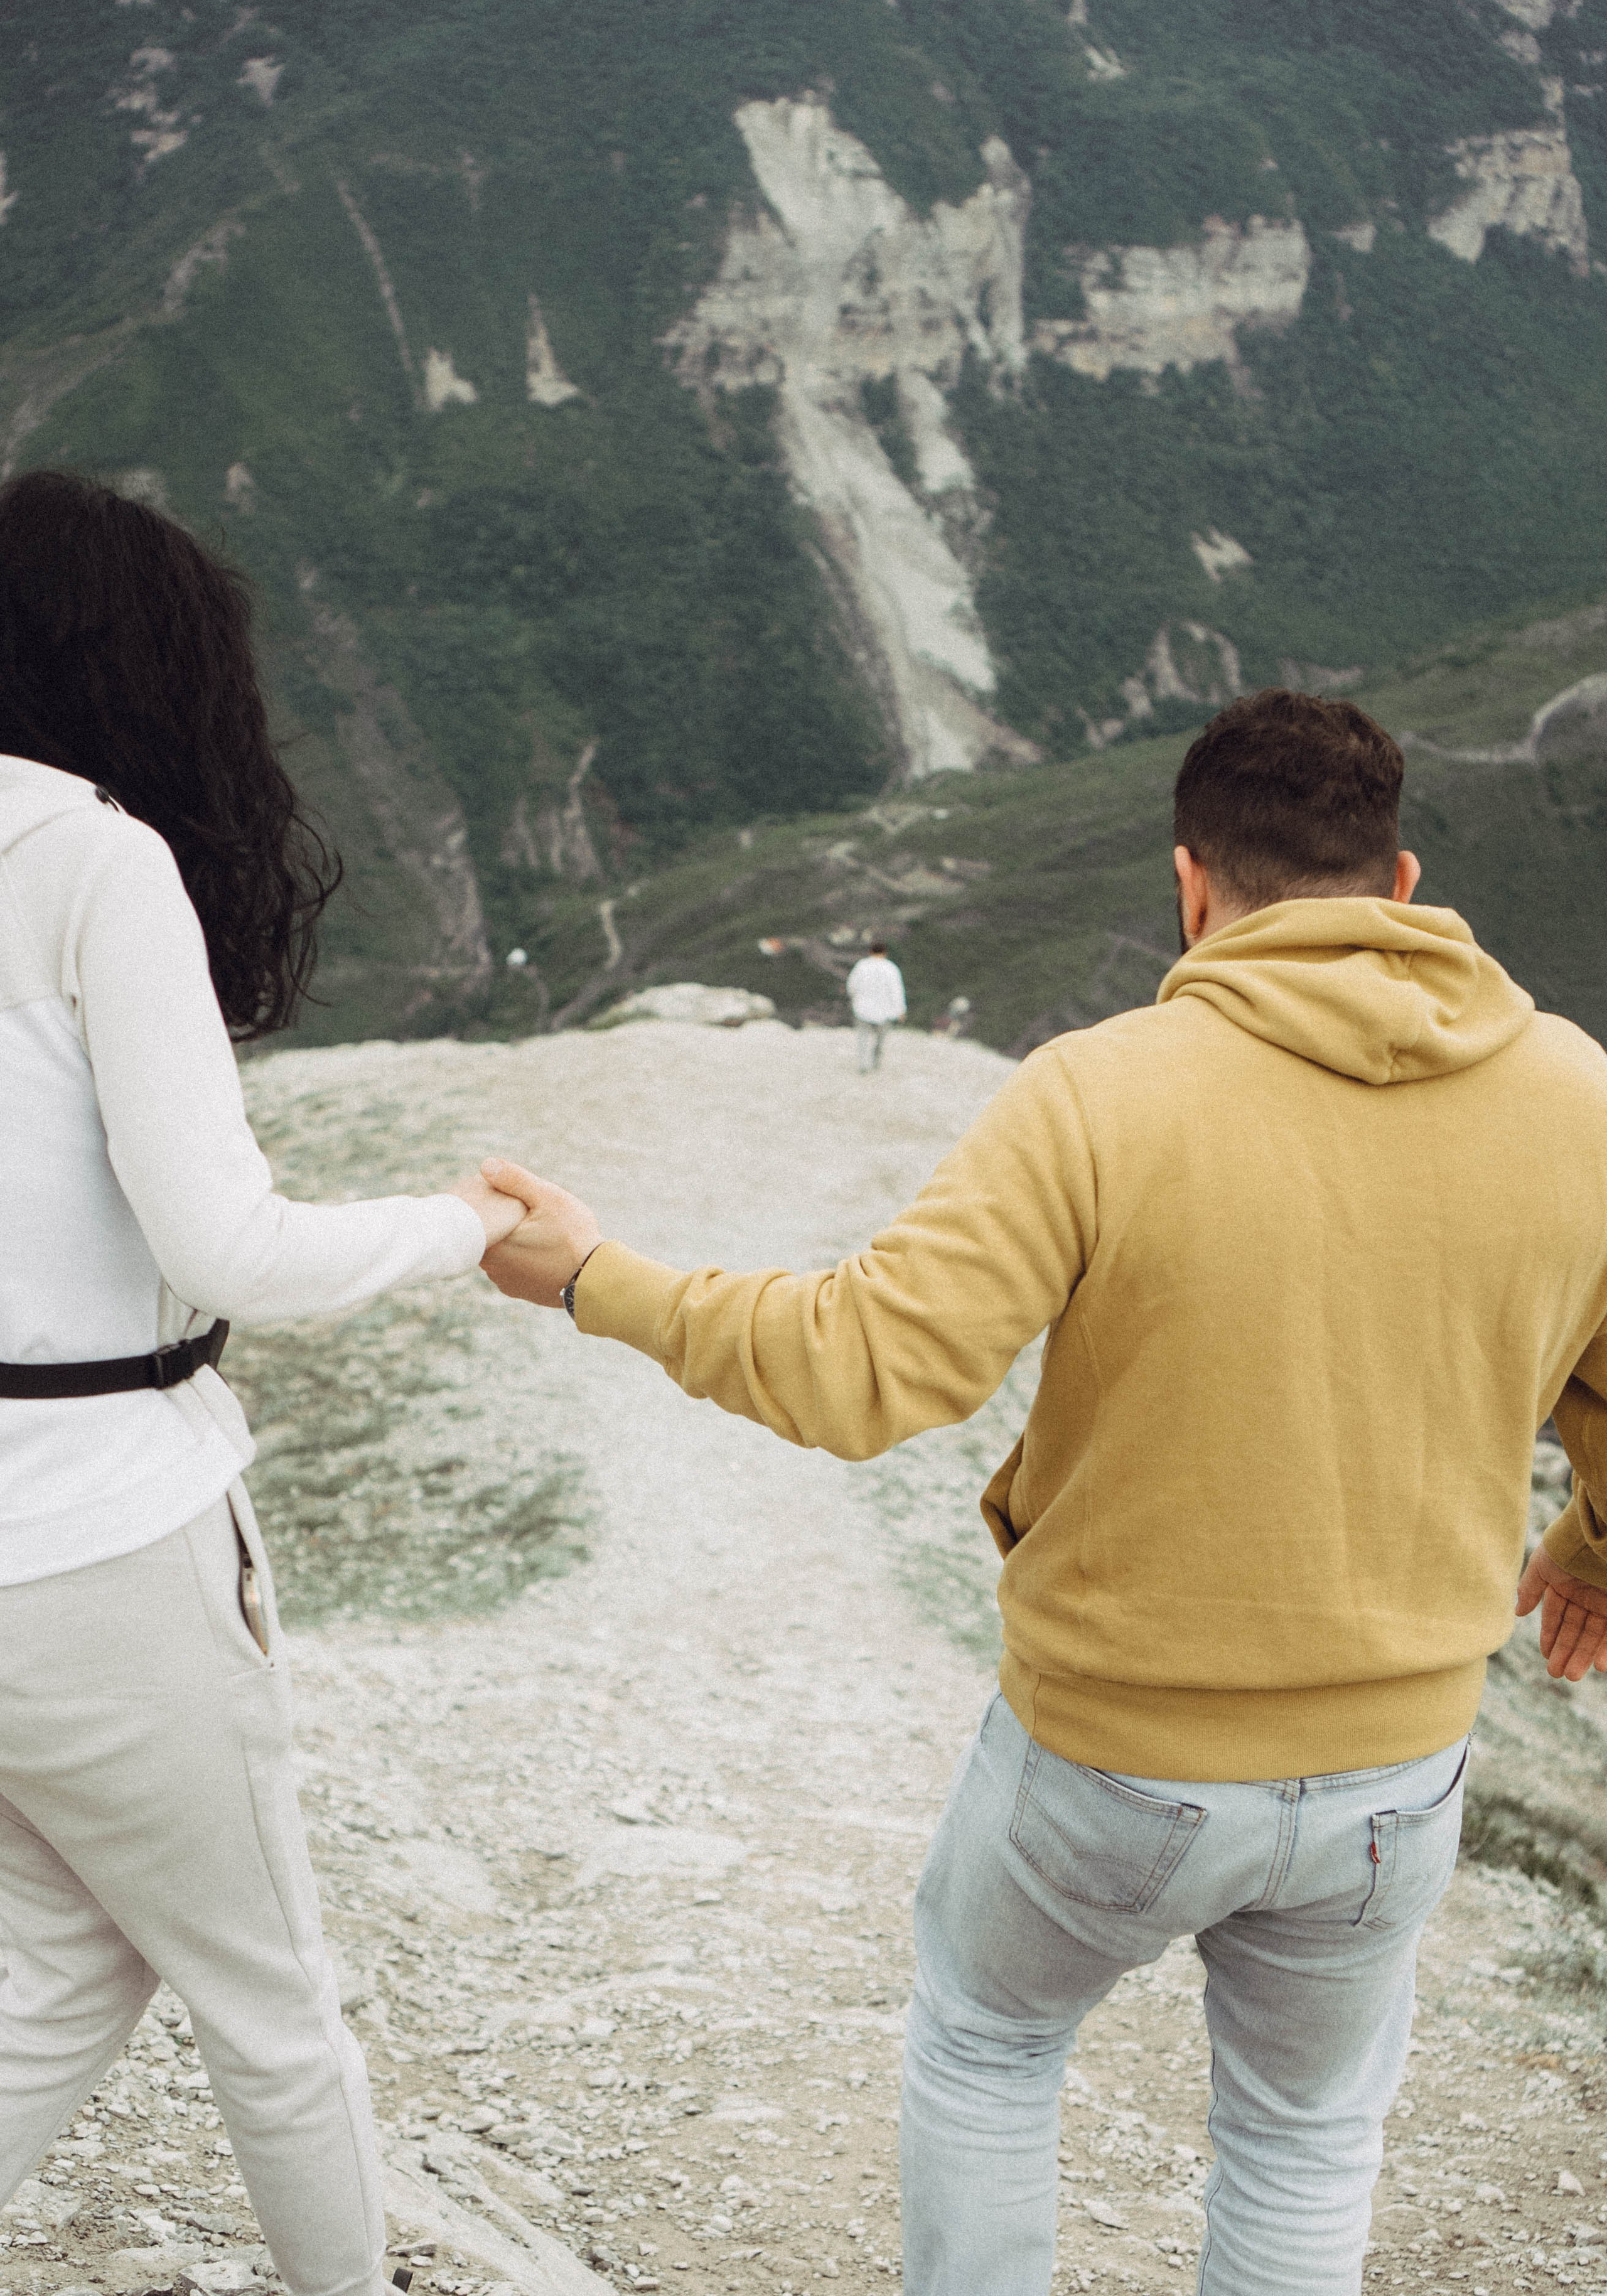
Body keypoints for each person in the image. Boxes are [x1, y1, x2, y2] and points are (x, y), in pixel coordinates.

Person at [475, 689, 1607, 2296]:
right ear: (1404, 882)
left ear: (1190, 884)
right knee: (1300, 2139)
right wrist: (1589, 1548)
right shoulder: (1576, 1097)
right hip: (1394, 1771)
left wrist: (595, 1273)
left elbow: (858, 1367)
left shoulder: (1099, 1090)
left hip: (1113, 1751)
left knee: (991, 2046)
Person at [0, 472, 529, 2296]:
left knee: (66, 1954)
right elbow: (229, 1247)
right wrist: (461, 1223)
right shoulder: (94, 863)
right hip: (102, 1533)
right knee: (274, 2000)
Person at [846, 936, 906, 1072]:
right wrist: (901, 1010)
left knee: (863, 1037)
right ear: (885, 953)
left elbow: (851, 986)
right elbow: (897, 991)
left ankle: (863, 1065)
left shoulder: (861, 966)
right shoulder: (891, 969)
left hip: (862, 1009)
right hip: (885, 1011)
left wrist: (854, 999)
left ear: (870, 952)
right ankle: (876, 1062)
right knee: (880, 1040)